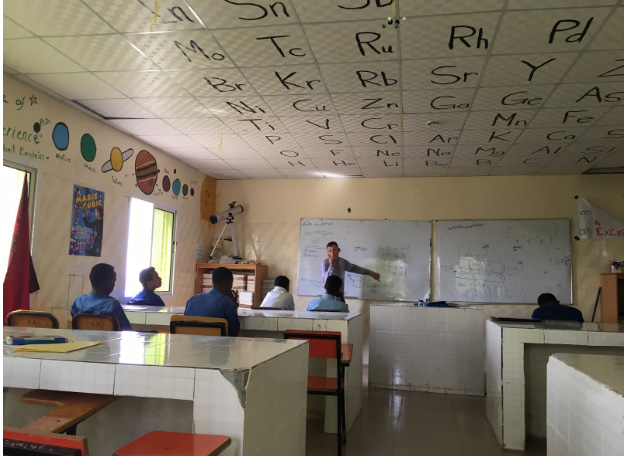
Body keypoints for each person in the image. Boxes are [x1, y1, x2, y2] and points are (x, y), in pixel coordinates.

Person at [71, 263, 133, 330]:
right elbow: (127, 331)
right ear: (108, 284)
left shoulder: (79, 301)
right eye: (114, 281)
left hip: (82, 340)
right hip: (108, 340)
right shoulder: (112, 305)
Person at [184, 267, 240, 336]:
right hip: (216, 346)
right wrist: (234, 307)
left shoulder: (191, 301)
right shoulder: (228, 303)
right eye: (231, 283)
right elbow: (234, 333)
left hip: (191, 345)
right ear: (228, 283)